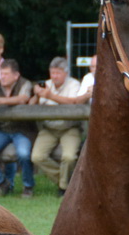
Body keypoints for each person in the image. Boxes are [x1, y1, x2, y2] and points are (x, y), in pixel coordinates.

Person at [0, 57, 36, 196]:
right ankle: (2, 182)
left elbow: (23, 98)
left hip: (23, 130)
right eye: (1, 73)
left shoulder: (25, 84)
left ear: (16, 75)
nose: (2, 77)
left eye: (6, 74)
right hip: (1, 130)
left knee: (24, 154)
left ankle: (28, 186)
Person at [31, 56, 88, 196]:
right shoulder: (46, 84)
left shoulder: (74, 84)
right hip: (49, 128)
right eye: (52, 73)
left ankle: (63, 188)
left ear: (66, 73)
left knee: (69, 157)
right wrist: (37, 95)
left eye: (57, 73)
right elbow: (33, 106)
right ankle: (68, 183)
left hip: (69, 128)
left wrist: (50, 96)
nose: (54, 76)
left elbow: (74, 102)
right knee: (36, 157)